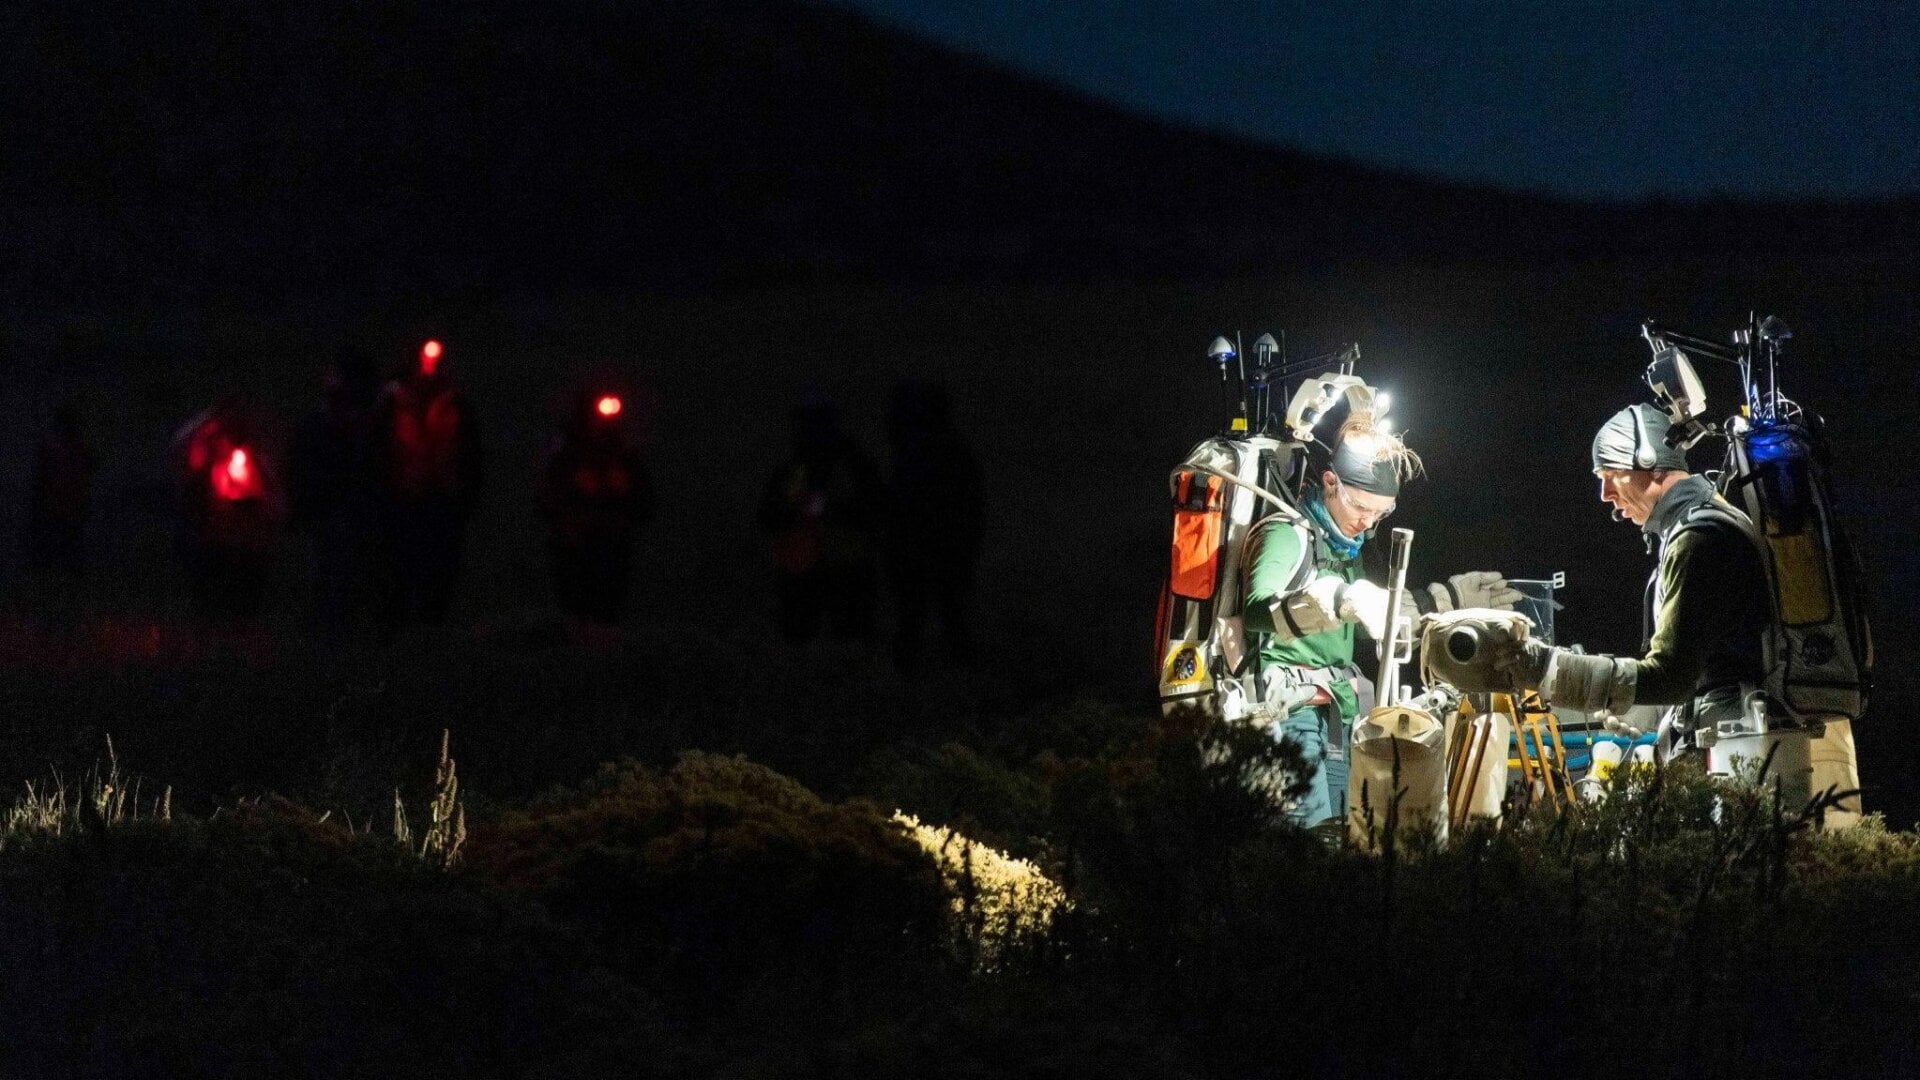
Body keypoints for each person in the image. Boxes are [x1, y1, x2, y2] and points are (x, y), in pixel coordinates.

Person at [1238, 419, 1522, 832]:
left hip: (1336, 713)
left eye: (1381, 512)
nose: (1369, 523)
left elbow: (1370, 611)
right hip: (1288, 717)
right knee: (1305, 843)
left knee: (1345, 834)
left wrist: (1447, 601)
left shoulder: (1342, 545)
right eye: (1361, 507)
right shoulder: (1287, 533)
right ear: (1331, 482)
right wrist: (1335, 599)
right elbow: (1257, 609)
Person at [1495, 404, 1768, 760]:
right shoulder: (1705, 523)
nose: (1604, 494)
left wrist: (1547, 669)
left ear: (1648, 459)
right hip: (1740, 733)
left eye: (1609, 473)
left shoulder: (1699, 537)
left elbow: (1671, 677)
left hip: (1739, 747)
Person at [366, 340, 484, 630]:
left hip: (444, 500)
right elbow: (374, 451)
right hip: (400, 500)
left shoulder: (455, 404)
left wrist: (465, 496)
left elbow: (471, 452)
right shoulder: (390, 404)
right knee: (396, 573)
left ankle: (433, 634)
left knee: (440, 574)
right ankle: (393, 637)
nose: (427, 367)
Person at [757, 400, 884, 644]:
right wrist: (795, 512)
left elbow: (876, 512)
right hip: (803, 576)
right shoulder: (794, 470)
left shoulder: (853, 467)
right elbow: (768, 517)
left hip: (847, 575)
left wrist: (831, 509)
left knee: (847, 647)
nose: (802, 435)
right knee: (803, 644)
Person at [883, 380, 983, 671]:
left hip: (931, 553)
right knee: (937, 621)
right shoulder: (940, 452)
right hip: (935, 553)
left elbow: (908, 508)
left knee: (928, 623)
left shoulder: (929, 453)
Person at [537, 390, 654, 633]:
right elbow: (546, 500)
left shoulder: (623, 456)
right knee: (576, 618)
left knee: (607, 620)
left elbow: (645, 502)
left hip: (612, 548)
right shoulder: (566, 455)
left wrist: (623, 498)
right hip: (574, 548)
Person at [288, 345, 382, 636]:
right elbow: (304, 471)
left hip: (357, 510)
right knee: (329, 571)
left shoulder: (371, 424)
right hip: (327, 510)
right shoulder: (318, 425)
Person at [171, 398, 283, 627]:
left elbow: (271, 498)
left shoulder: (254, 454)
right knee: (212, 601)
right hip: (214, 541)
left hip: (246, 543)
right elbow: (181, 462)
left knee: (243, 602)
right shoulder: (201, 450)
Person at [26, 398, 98, 578]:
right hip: (70, 504)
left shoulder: (53, 446)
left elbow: (41, 476)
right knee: (68, 549)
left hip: (56, 504)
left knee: (53, 550)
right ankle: (66, 583)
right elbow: (88, 475)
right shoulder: (82, 448)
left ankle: (50, 583)